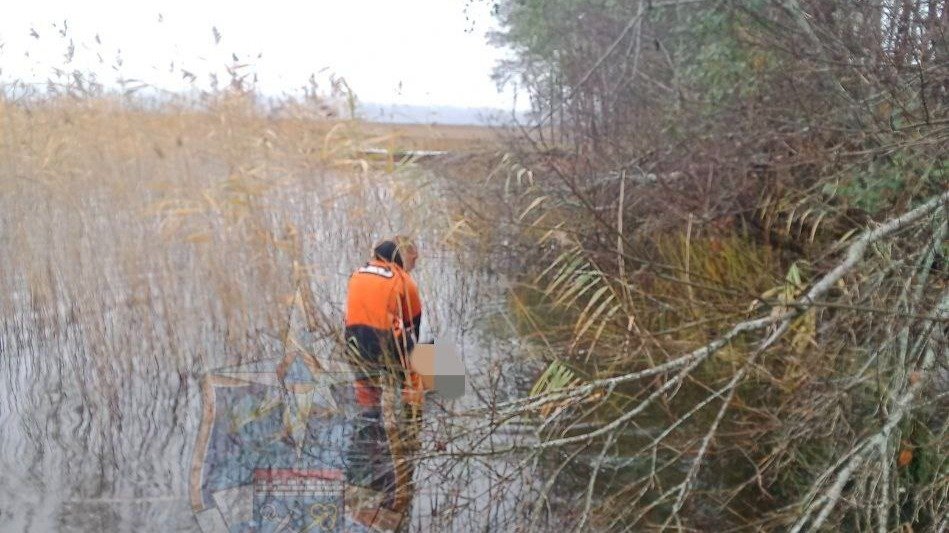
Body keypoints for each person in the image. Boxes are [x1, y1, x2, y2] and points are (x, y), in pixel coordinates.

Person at [343, 235, 425, 530]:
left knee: (368, 397)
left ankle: (369, 421)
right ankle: (411, 424)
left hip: (354, 341)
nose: (415, 266)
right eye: (414, 260)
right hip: (384, 342)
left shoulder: (358, 273)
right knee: (416, 372)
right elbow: (413, 326)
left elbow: (350, 315)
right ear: (403, 258)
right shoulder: (403, 280)